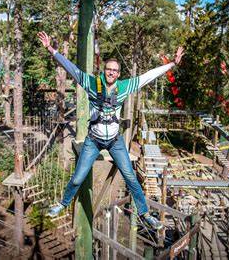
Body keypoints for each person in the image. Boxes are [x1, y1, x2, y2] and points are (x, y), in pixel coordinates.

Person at [38, 31, 184, 230]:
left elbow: (149, 76)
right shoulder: (91, 83)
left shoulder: (124, 87)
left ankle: (145, 214)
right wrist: (50, 50)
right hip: (93, 141)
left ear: (119, 73)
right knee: (78, 177)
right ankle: (62, 204)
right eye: (108, 69)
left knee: (130, 176)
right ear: (104, 70)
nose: (111, 73)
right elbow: (70, 67)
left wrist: (172, 64)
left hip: (115, 142)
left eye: (115, 71)